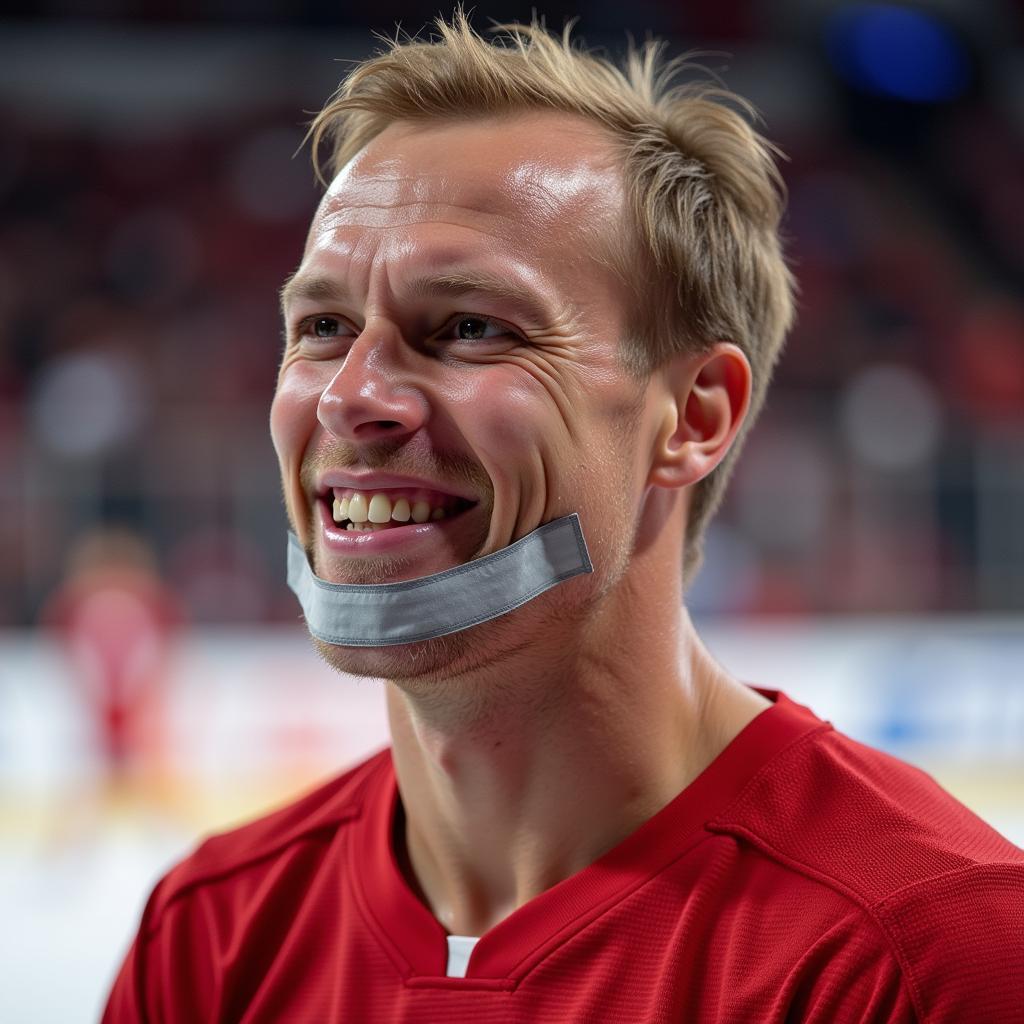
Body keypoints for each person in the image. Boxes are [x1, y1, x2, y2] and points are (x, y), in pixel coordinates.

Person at [103, 14, 1024, 1022]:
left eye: (468, 327)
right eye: (322, 327)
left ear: (692, 417)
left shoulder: (931, 953)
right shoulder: (208, 934)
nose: (349, 396)